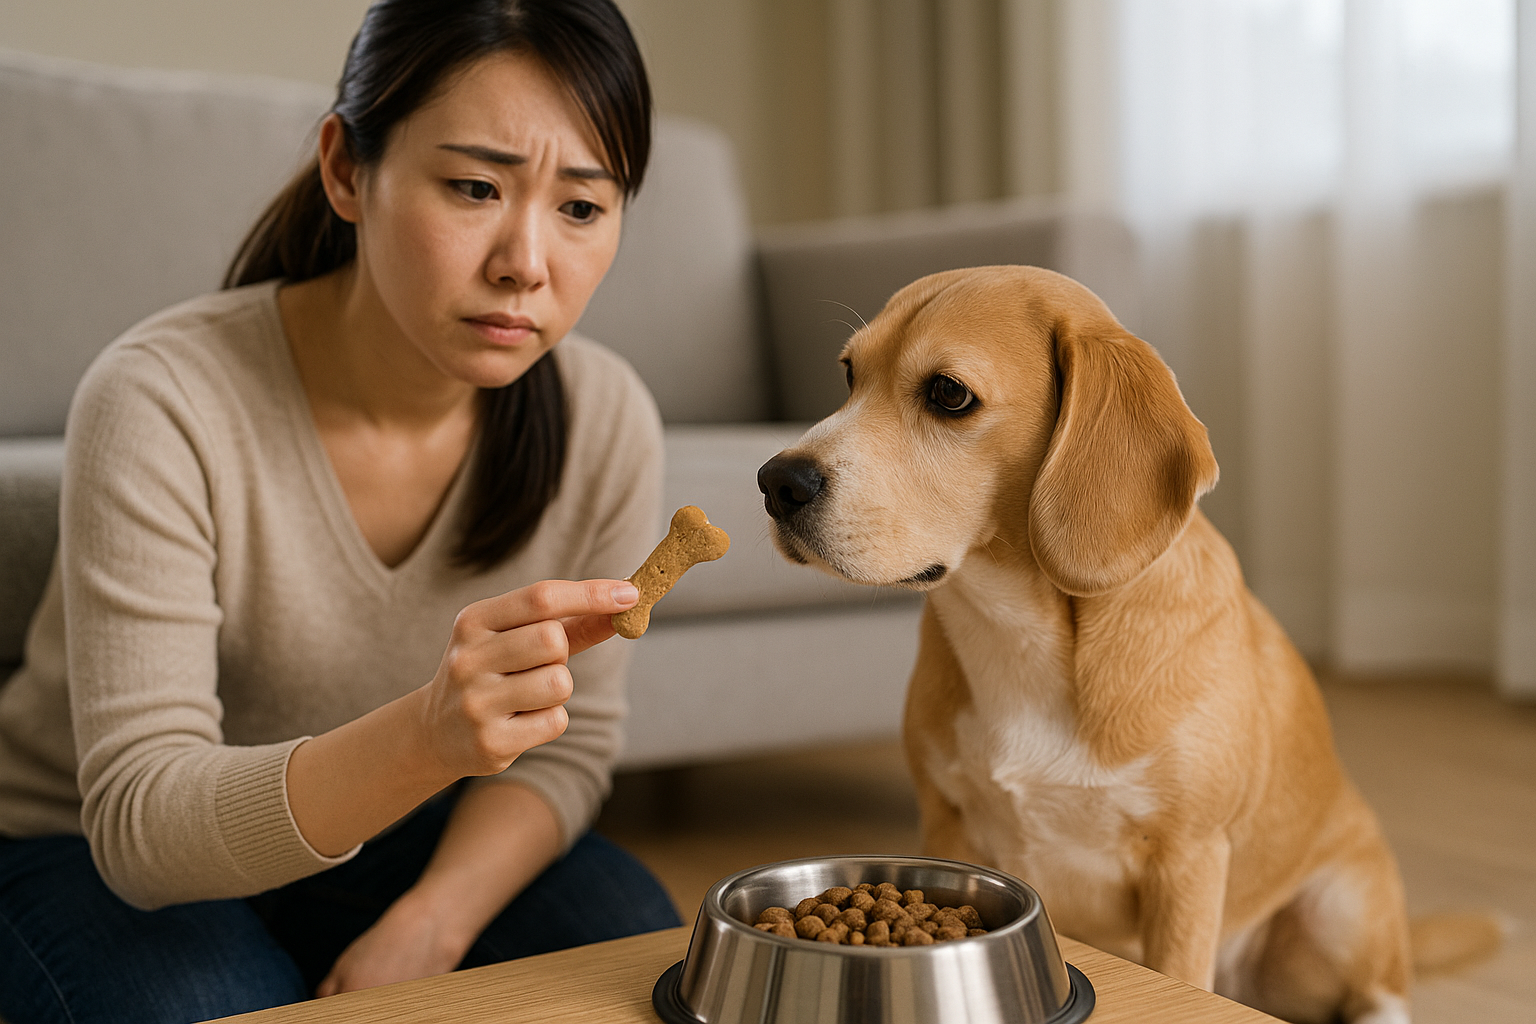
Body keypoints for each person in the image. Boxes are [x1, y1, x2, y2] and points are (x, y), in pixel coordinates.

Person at [0, 2, 684, 1021]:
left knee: (638, 945)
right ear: (345, 170)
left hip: (399, 825)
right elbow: (141, 826)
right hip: (90, 846)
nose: (526, 263)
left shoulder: (605, 417)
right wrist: (426, 735)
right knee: (221, 999)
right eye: (473, 187)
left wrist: (433, 922)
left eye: (581, 207)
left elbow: (573, 746)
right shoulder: (163, 398)